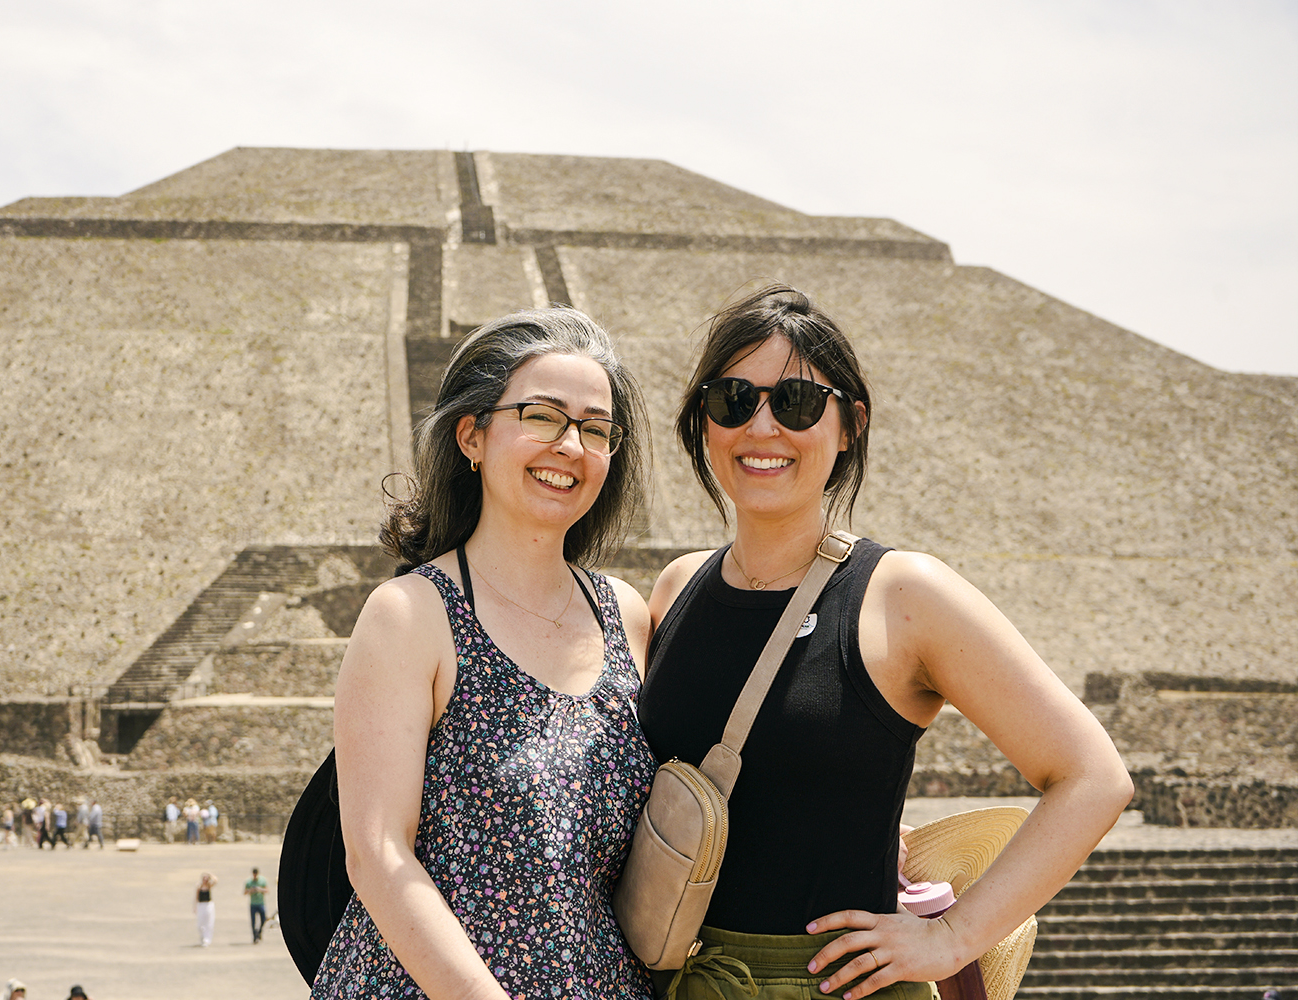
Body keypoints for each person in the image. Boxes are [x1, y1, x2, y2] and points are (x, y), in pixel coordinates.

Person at [638, 283, 1135, 999]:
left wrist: (953, 937)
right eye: (733, 400)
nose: (763, 426)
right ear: (705, 422)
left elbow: (1093, 778)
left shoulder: (903, 596)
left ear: (850, 425)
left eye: (799, 403)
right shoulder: (676, 588)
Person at [310, 308, 656, 998]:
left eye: (595, 428)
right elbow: (378, 855)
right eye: (542, 415)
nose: (570, 445)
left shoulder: (625, 613)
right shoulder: (411, 615)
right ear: (472, 435)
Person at [243, 867, 269, 945]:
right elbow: (245, 892)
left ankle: (259, 932)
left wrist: (259, 889)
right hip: (253, 904)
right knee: (253, 921)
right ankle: (255, 936)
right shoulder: (249, 882)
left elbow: (267, 890)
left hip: (261, 903)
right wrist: (251, 890)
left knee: (263, 919)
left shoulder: (262, 881)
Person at [194, 871, 218, 946]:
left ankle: (207, 939)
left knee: (208, 922)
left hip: (208, 905)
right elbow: (196, 897)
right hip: (201, 905)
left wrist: (209, 875)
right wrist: (195, 907)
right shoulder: (199, 886)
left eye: (206, 879)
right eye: (204, 879)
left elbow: (216, 880)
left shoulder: (209, 886)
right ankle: (203, 936)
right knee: (200, 923)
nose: (205, 880)